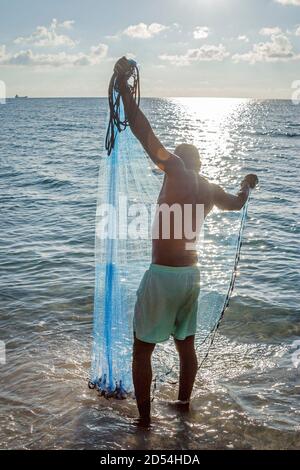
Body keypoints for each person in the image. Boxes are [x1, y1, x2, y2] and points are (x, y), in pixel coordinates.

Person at [114, 57, 258, 427]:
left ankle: (144, 422)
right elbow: (238, 203)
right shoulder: (209, 188)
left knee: (142, 349)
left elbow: (144, 132)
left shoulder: (174, 167)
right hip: (191, 277)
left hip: (163, 275)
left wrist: (125, 91)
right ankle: (182, 405)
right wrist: (246, 183)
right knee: (186, 345)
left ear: (179, 159)